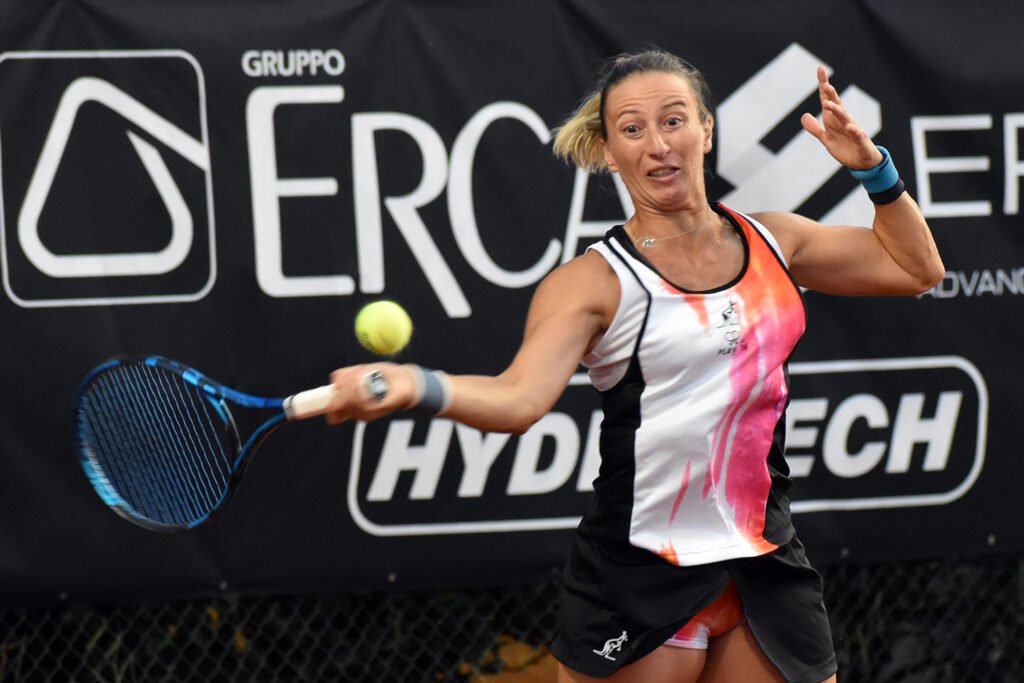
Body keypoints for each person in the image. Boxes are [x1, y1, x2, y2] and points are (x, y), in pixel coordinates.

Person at [325, 49, 944, 683]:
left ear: (707, 128)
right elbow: (519, 399)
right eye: (632, 129)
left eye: (674, 121)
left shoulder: (775, 241)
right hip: (638, 569)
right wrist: (413, 385)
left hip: (765, 559)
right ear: (608, 150)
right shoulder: (591, 283)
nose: (657, 146)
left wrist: (874, 170)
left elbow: (915, 268)